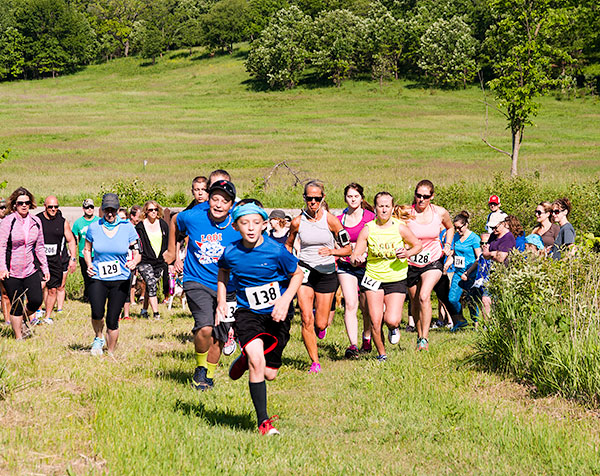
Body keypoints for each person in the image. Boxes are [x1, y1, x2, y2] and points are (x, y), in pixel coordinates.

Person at [217, 202, 303, 435]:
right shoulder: (231, 251)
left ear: (265, 225)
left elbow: (298, 274)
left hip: (277, 314)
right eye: (245, 223)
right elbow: (223, 271)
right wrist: (221, 301)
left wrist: (285, 301)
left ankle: (246, 359)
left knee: (269, 373)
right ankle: (263, 422)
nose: (251, 228)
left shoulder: (276, 251)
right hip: (247, 313)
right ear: (235, 226)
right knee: (258, 360)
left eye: (256, 223)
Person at [163, 180, 240, 390]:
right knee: (205, 327)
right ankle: (200, 367)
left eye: (224, 201)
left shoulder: (238, 224)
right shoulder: (194, 216)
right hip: (197, 281)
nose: (218, 205)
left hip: (229, 286)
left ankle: (209, 376)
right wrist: (171, 251)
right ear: (209, 199)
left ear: (231, 205)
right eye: (215, 199)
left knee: (219, 335)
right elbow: (174, 220)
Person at [285, 181, 351, 373]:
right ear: (304, 198)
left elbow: (348, 248)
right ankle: (315, 362)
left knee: (320, 322)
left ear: (323, 198)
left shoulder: (331, 221)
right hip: (304, 270)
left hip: (326, 272)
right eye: (309, 198)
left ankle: (320, 327)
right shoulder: (297, 222)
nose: (313, 202)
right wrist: (289, 263)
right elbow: (288, 245)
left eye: (316, 198)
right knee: (306, 318)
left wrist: (332, 251)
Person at [351, 192, 422, 359]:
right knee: (375, 321)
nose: (383, 210)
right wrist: (358, 258)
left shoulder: (400, 227)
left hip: (395, 278)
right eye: (380, 206)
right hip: (373, 278)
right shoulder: (368, 229)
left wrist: (407, 252)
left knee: (391, 319)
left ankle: (393, 328)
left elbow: (417, 245)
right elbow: (355, 255)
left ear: (392, 208)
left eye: (387, 206)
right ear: (375, 208)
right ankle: (382, 354)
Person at [84, 193, 140, 355]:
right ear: (101, 210)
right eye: (107, 210)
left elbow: (137, 252)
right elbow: (87, 249)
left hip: (120, 279)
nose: (110, 213)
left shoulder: (127, 227)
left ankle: (111, 352)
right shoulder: (94, 227)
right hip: (98, 277)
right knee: (97, 312)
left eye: (113, 210)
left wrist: (134, 262)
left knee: (113, 318)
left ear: (117, 210)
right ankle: (99, 337)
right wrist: (88, 264)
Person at [406, 180, 454, 351]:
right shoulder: (406, 213)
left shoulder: (439, 212)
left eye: (425, 196)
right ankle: (419, 335)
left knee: (424, 296)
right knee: (415, 302)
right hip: (411, 262)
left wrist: (448, 244)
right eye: (418, 195)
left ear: (431, 196)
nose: (421, 199)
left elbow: (450, 228)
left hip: (433, 260)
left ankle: (424, 339)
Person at [0, 187, 49, 339]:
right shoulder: (8, 221)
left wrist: (44, 268)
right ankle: (19, 337)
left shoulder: (36, 221)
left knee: (36, 300)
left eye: (27, 202)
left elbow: (40, 246)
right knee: (16, 304)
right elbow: (1, 246)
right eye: (20, 203)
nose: (24, 205)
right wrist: (2, 268)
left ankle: (23, 319)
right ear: (14, 204)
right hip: (11, 270)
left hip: (30, 269)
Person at [336, 183, 375, 357]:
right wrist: (341, 251)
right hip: (346, 266)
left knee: (366, 307)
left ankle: (367, 336)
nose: (352, 199)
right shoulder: (338, 219)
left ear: (361, 198)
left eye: (356, 196)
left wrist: (364, 253)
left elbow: (377, 240)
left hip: (367, 266)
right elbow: (335, 241)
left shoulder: (370, 218)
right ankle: (353, 345)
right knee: (351, 304)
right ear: (345, 197)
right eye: (349, 196)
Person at [36, 196, 77, 323]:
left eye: (56, 207)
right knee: (39, 286)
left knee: (53, 289)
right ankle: (36, 312)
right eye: (50, 207)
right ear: (45, 206)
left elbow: (71, 241)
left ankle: (47, 316)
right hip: (39, 259)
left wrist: (73, 259)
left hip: (55, 260)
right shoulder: (37, 219)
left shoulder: (62, 221)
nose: (53, 209)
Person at [447, 212, 481, 331]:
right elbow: (454, 254)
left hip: (471, 273)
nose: (457, 230)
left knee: (472, 300)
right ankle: (461, 320)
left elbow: (479, 258)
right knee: (452, 298)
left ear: (466, 225)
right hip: (458, 272)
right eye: (455, 228)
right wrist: (447, 264)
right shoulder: (456, 237)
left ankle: (476, 323)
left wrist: (468, 272)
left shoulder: (474, 238)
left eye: (459, 227)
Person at [135, 200, 169, 320]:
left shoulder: (163, 225)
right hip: (144, 260)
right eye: (150, 210)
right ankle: (156, 314)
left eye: (155, 209)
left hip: (159, 262)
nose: (153, 212)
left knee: (151, 287)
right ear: (146, 212)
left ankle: (144, 310)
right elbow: (137, 245)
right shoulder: (140, 227)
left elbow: (167, 243)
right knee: (151, 283)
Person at [72, 199, 99, 303]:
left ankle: (96, 296)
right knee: (87, 277)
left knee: (97, 277)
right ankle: (87, 296)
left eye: (91, 207)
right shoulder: (78, 223)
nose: (89, 209)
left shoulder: (99, 221)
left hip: (96, 254)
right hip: (83, 254)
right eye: (87, 207)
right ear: (83, 208)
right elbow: (74, 239)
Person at [0, 198, 11, 325]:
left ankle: (11, 318)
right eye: (0, 208)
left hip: (9, 259)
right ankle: (7, 319)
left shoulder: (10, 221)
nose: (3, 210)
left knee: (8, 292)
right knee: (4, 293)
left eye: (4, 208)